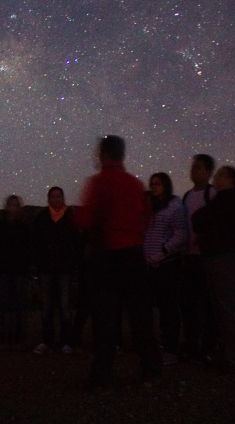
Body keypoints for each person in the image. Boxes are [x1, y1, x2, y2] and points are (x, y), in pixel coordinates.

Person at [74, 136, 159, 390]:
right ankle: (151, 372)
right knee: (140, 317)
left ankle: (102, 374)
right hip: (133, 256)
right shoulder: (135, 184)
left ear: (103, 154)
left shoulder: (98, 183)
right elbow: (146, 218)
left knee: (105, 319)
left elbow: (85, 219)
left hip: (107, 258)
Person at [191, 165, 235, 373]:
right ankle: (233, 357)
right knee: (229, 310)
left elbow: (199, 219)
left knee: (230, 311)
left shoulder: (226, 200)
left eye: (218, 176)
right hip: (232, 259)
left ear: (228, 180)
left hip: (226, 260)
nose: (214, 179)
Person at [143, 172, 188, 366]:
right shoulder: (150, 207)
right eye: (152, 184)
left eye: (158, 184)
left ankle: (171, 349)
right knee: (153, 307)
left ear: (166, 185)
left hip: (167, 265)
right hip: (149, 265)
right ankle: (158, 345)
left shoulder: (175, 206)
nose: (154, 187)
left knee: (168, 308)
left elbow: (181, 234)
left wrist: (162, 252)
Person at [31, 187, 79, 354]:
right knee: (47, 307)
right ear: (48, 199)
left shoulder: (71, 217)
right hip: (46, 269)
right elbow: (36, 243)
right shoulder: (42, 218)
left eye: (59, 196)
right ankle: (47, 341)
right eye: (53, 196)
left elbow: (76, 243)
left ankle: (66, 341)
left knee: (65, 307)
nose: (56, 199)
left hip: (64, 269)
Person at [181, 153, 217, 361]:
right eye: (193, 167)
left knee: (206, 304)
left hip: (206, 257)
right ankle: (192, 345)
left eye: (199, 168)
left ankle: (208, 346)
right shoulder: (187, 196)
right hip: (189, 257)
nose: (194, 171)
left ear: (208, 172)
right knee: (189, 303)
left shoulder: (212, 194)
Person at [0, 195, 31, 350]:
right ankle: (1, 339)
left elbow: (28, 249)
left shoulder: (24, 227)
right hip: (4, 271)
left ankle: (18, 339)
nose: (13, 208)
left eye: (15, 205)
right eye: (11, 205)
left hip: (20, 271)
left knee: (19, 306)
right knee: (2, 307)